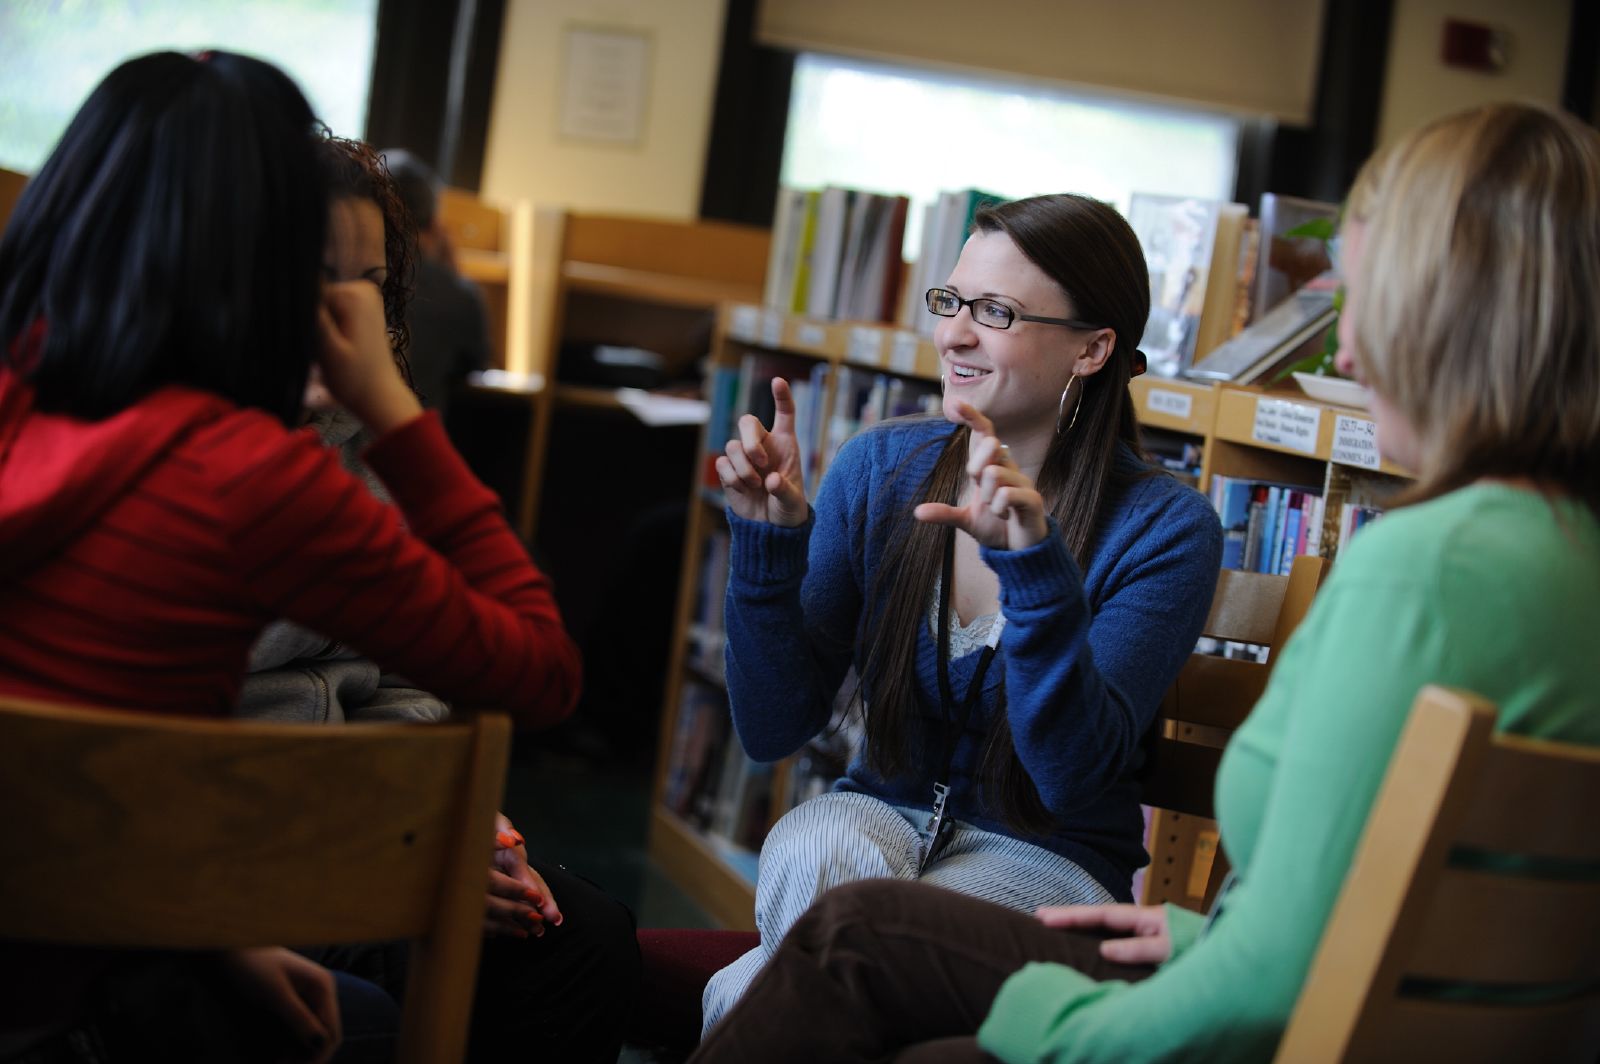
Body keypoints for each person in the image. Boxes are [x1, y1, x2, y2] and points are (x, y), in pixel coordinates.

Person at [686, 102, 1600, 1063]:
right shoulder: (1550, 555)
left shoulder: (1407, 567)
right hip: (1372, 1013)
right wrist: (769, 540)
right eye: (951, 302)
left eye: (1366, 308)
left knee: (808, 964)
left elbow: (1275, 961)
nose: (1353, 356)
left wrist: (1055, 1021)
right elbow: (1335, 930)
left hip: (1126, 928)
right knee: (819, 866)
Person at [0, 51, 581, 1061]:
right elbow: (540, 669)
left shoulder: (25, 392)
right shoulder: (246, 475)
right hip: (60, 981)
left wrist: (222, 933)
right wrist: (396, 410)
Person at [700, 193, 1225, 1030]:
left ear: (1092, 349)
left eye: (997, 311)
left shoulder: (1167, 527)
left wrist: (1034, 571)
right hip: (874, 820)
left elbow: (1068, 776)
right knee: (812, 841)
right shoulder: (880, 468)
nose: (953, 334)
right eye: (951, 302)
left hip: (1047, 862)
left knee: (742, 993)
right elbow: (772, 730)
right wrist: (768, 548)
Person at [236, 134, 640, 1063]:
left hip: (363, 814)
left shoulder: (354, 445)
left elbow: (430, 684)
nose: (341, 312)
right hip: (234, 834)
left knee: (585, 938)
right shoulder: (167, 447)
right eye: (309, 275)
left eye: (369, 282)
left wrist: (453, 826)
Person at [378, 147, 492, 423]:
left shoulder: (350, 277)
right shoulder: (461, 295)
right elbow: (476, 365)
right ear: (433, 224)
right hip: (414, 444)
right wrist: (452, 272)